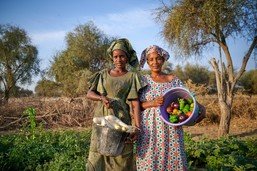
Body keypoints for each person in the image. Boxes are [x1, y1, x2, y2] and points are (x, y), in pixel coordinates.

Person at [136, 45, 206, 171]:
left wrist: (201, 107)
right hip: (149, 129)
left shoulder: (173, 80)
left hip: (171, 127)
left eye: (158, 58)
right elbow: (136, 106)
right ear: (147, 62)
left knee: (173, 158)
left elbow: (188, 97)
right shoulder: (142, 81)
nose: (155, 62)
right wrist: (151, 103)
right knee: (150, 159)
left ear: (163, 60)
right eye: (151, 59)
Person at [85, 38, 142, 171]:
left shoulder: (132, 77)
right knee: (99, 152)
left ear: (127, 58)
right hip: (102, 118)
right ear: (112, 58)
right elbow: (89, 93)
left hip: (121, 119)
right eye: (115, 57)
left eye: (122, 56)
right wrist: (101, 98)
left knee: (121, 154)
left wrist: (137, 127)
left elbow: (135, 103)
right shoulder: (103, 74)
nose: (118, 60)